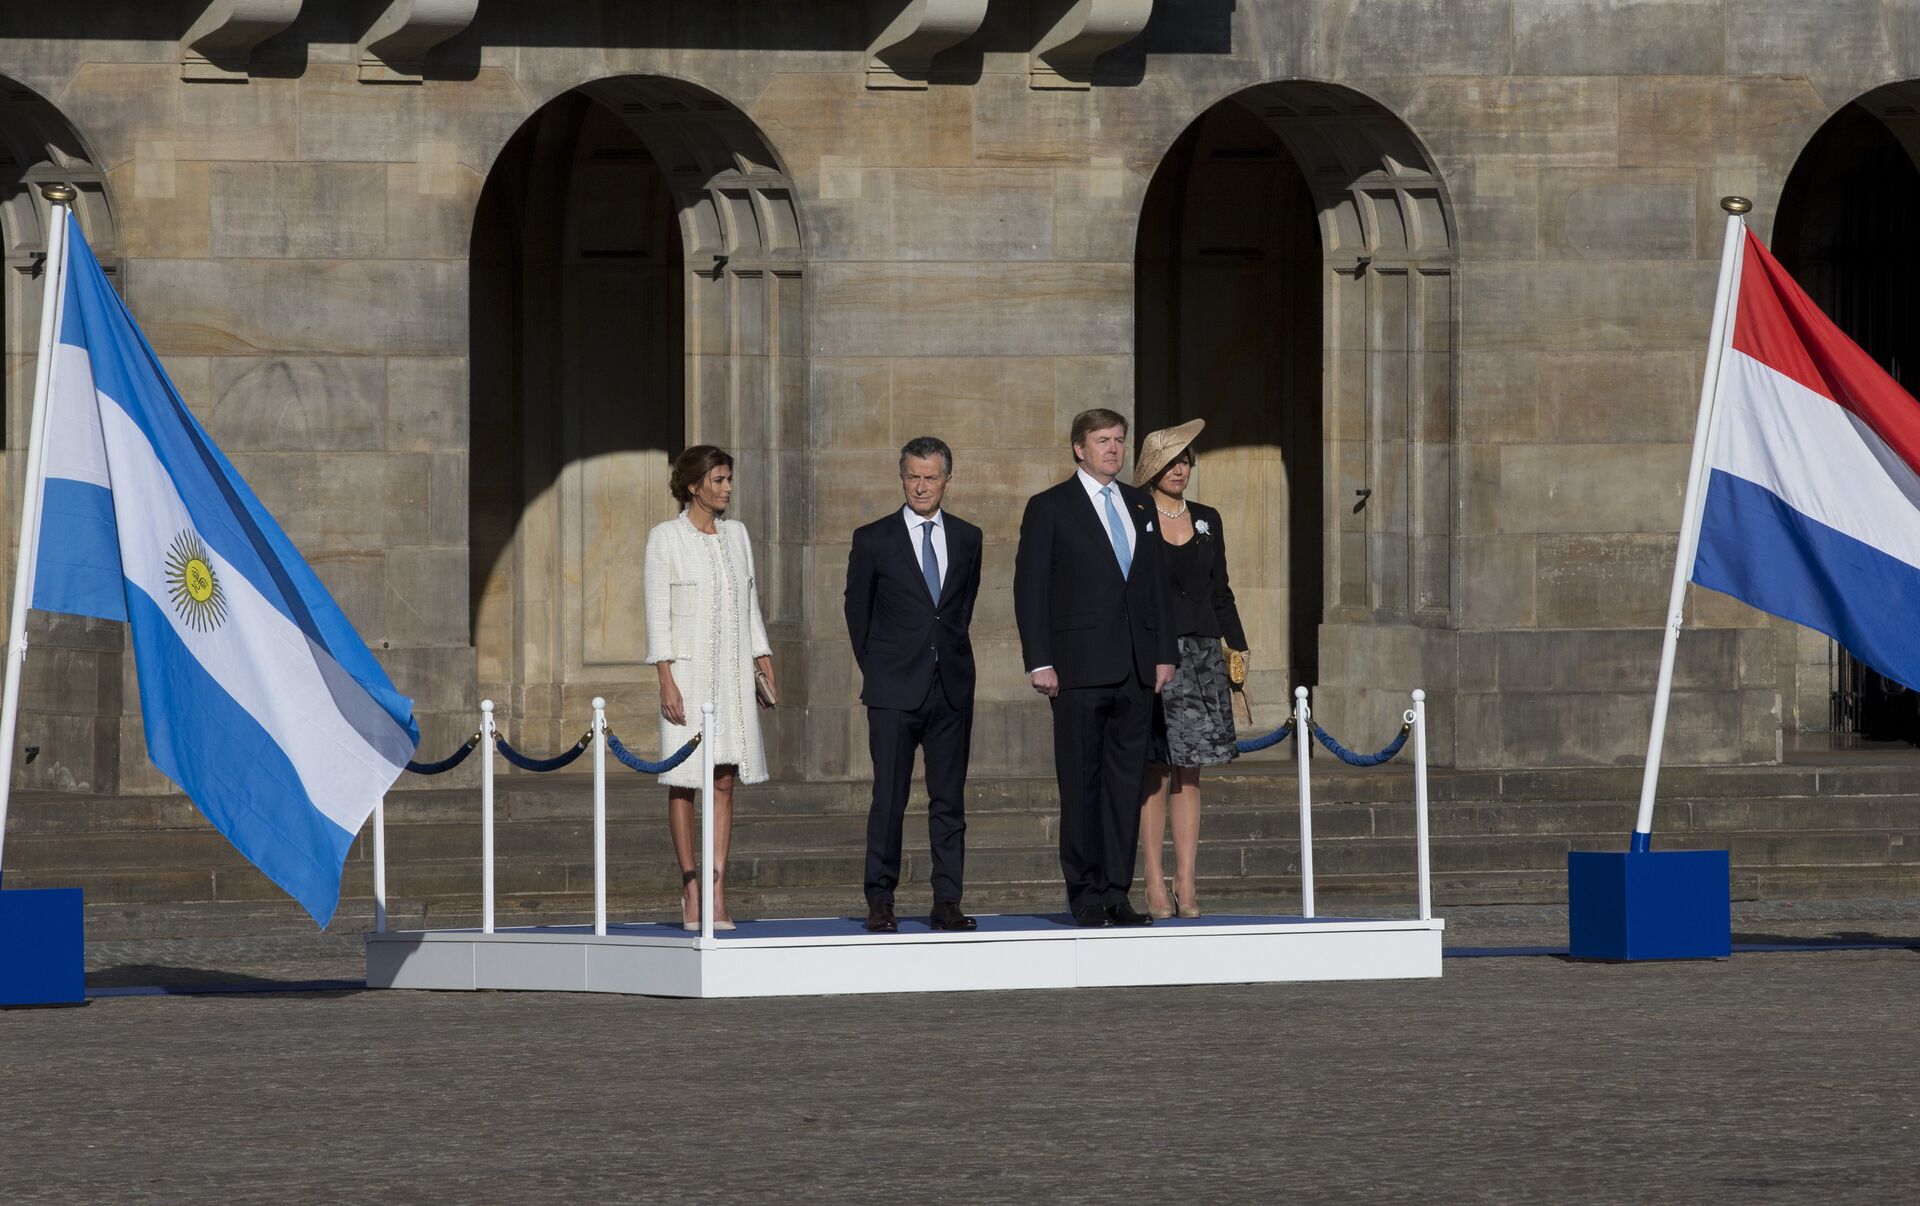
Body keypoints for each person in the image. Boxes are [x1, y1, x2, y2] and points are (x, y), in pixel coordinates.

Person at [1014, 409, 1177, 927]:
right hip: (1077, 669)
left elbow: (1155, 584)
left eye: (1119, 440)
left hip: (1135, 669)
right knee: (1081, 784)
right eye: (1102, 440)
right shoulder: (1049, 506)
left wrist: (1164, 652)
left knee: (1125, 787)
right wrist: (1040, 661)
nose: (1113, 449)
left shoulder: (1139, 503)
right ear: (1079, 448)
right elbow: (1031, 588)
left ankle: (1115, 891)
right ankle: (1084, 892)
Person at [843, 436, 983, 934]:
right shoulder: (873, 538)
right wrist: (880, 668)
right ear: (902, 478)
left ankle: (947, 899)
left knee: (949, 801)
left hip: (951, 688)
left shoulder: (968, 537)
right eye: (913, 477)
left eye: (931, 477)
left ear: (948, 480)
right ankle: (880, 899)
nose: (921, 487)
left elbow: (959, 609)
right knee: (889, 798)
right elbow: (857, 614)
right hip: (893, 690)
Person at [643, 445, 776, 931]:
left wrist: (762, 655)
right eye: (718, 480)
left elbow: (749, 600)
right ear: (694, 485)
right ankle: (691, 890)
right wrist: (666, 679)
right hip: (688, 674)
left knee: (724, 779)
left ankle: (718, 893)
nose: (727, 488)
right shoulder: (665, 538)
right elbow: (657, 614)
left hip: (732, 673)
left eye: (729, 479)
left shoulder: (736, 534)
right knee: (684, 779)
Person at [1132, 420, 1248, 920]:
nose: (1179, 469)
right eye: (1170, 461)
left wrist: (1238, 649)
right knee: (1154, 770)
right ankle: (1153, 881)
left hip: (1202, 655)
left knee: (1190, 771)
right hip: (1154, 653)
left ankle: (1186, 879)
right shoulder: (1135, 514)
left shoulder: (1207, 518)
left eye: (1185, 460)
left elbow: (1221, 589)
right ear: (1152, 467)